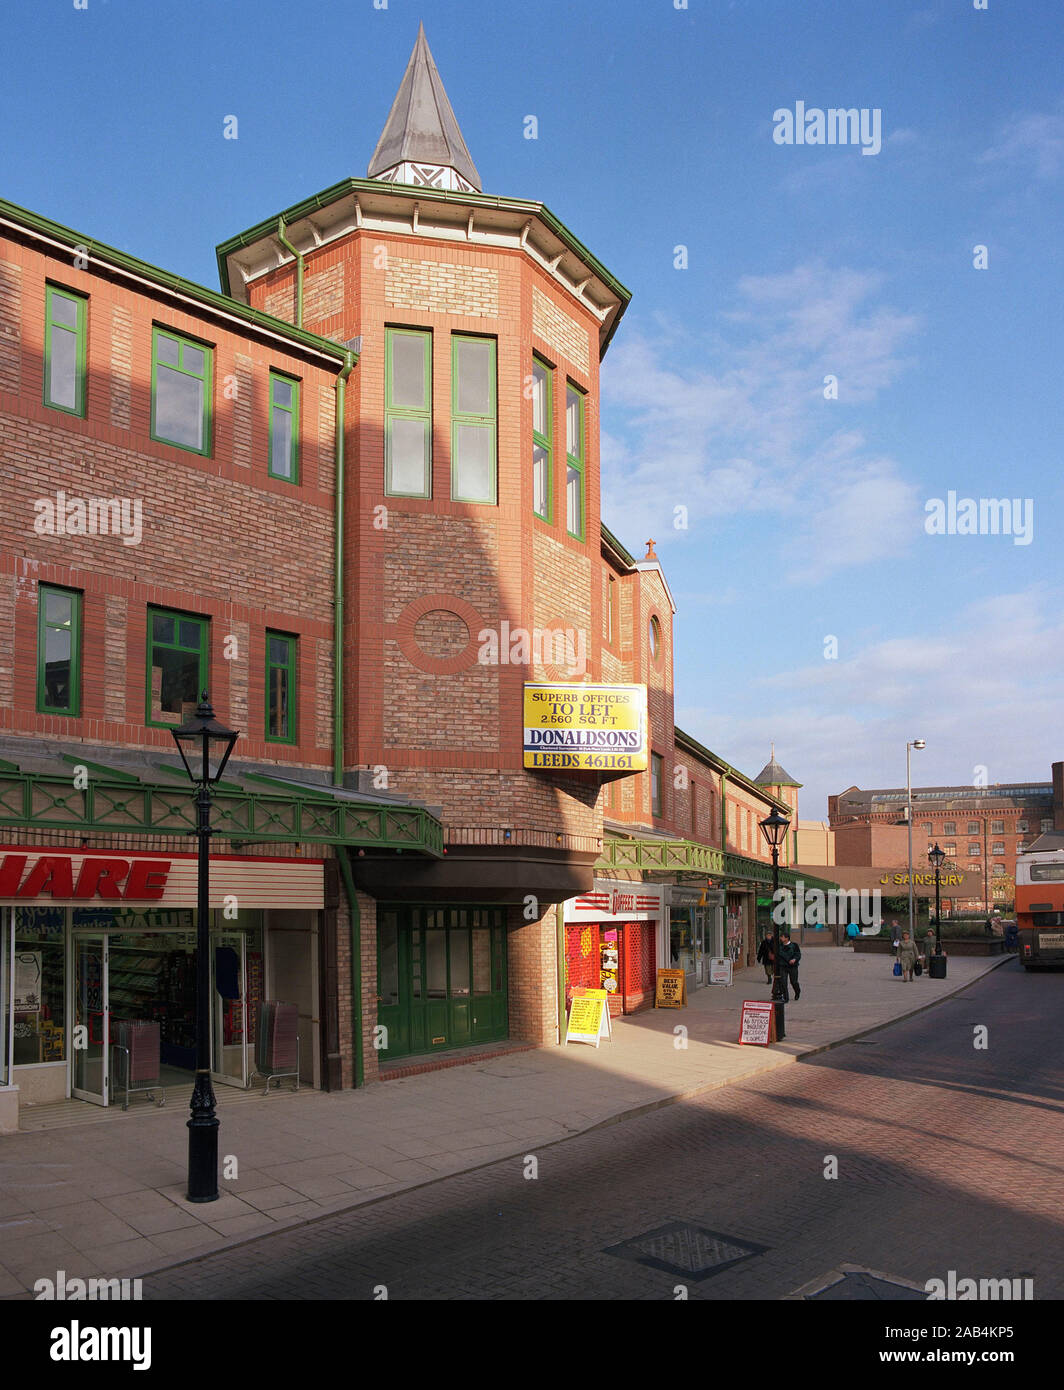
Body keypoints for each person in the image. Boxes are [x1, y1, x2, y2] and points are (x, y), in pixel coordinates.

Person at [778, 930, 801, 1000]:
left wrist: (794, 959)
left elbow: (798, 954)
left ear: (787, 938)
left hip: (793, 967)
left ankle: (797, 992)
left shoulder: (794, 945)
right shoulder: (779, 946)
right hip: (783, 966)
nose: (780, 938)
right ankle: (786, 997)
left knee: (794, 982)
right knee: (783, 982)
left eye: (782, 937)